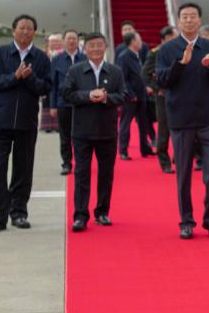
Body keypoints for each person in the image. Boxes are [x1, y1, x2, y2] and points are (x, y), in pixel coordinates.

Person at [157, 2, 209, 240]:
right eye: (184, 16)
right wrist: (181, 64)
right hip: (181, 120)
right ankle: (186, 221)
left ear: (199, 20)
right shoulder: (167, 49)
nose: (188, 20)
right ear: (178, 21)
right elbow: (162, 81)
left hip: (208, 118)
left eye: (192, 16)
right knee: (184, 175)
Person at [0, 15, 52, 233]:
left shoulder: (41, 58)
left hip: (26, 122)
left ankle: (19, 213)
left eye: (29, 28)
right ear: (13, 30)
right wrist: (14, 77)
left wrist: (29, 78)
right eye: (21, 28)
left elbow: (46, 87)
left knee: (23, 168)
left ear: (34, 32)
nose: (25, 32)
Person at [63, 32, 126, 231]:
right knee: (82, 174)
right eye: (92, 46)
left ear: (105, 47)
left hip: (107, 132)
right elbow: (67, 94)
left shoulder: (115, 71)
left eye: (99, 45)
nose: (96, 49)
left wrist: (107, 98)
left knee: (106, 174)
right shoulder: (75, 71)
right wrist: (88, 96)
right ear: (85, 49)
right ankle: (80, 215)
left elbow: (123, 95)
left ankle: (102, 212)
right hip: (82, 131)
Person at [142, 26, 178, 173]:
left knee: (181, 128)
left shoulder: (181, 50)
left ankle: (180, 157)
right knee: (164, 130)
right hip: (163, 97)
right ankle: (164, 161)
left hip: (180, 95)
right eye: (174, 37)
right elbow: (145, 74)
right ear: (165, 39)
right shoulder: (155, 53)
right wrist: (158, 88)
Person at [50, 29, 86, 175]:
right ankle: (66, 163)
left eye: (74, 38)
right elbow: (53, 84)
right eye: (69, 38)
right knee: (65, 136)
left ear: (78, 41)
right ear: (63, 41)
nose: (71, 41)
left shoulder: (85, 58)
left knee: (81, 136)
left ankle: (81, 163)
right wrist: (52, 105)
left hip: (82, 103)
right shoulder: (57, 60)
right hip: (63, 103)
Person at [116, 32, 154, 159]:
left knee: (143, 123)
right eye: (139, 39)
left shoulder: (137, 55)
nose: (141, 42)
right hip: (130, 97)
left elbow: (139, 75)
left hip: (141, 95)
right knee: (126, 124)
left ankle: (145, 148)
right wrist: (130, 94)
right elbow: (122, 78)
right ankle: (123, 150)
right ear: (132, 41)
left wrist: (145, 87)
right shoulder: (124, 57)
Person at [40, 34, 63, 132]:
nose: (54, 43)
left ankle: (58, 126)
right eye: (52, 41)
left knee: (57, 102)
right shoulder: (44, 53)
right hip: (47, 80)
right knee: (46, 103)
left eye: (57, 41)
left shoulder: (63, 54)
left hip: (58, 80)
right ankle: (47, 126)